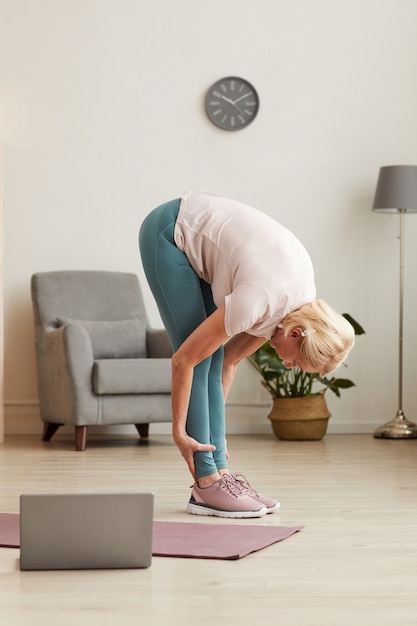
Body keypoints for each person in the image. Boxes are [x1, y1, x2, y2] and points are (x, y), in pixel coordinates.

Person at [139, 190, 355, 519]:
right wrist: (180, 430)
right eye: (295, 361)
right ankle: (206, 483)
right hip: (171, 232)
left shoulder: (293, 310)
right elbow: (184, 360)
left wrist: (215, 437)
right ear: (296, 334)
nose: (286, 364)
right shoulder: (260, 300)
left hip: (206, 247)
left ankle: (222, 475)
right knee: (200, 360)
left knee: (214, 360)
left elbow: (230, 360)